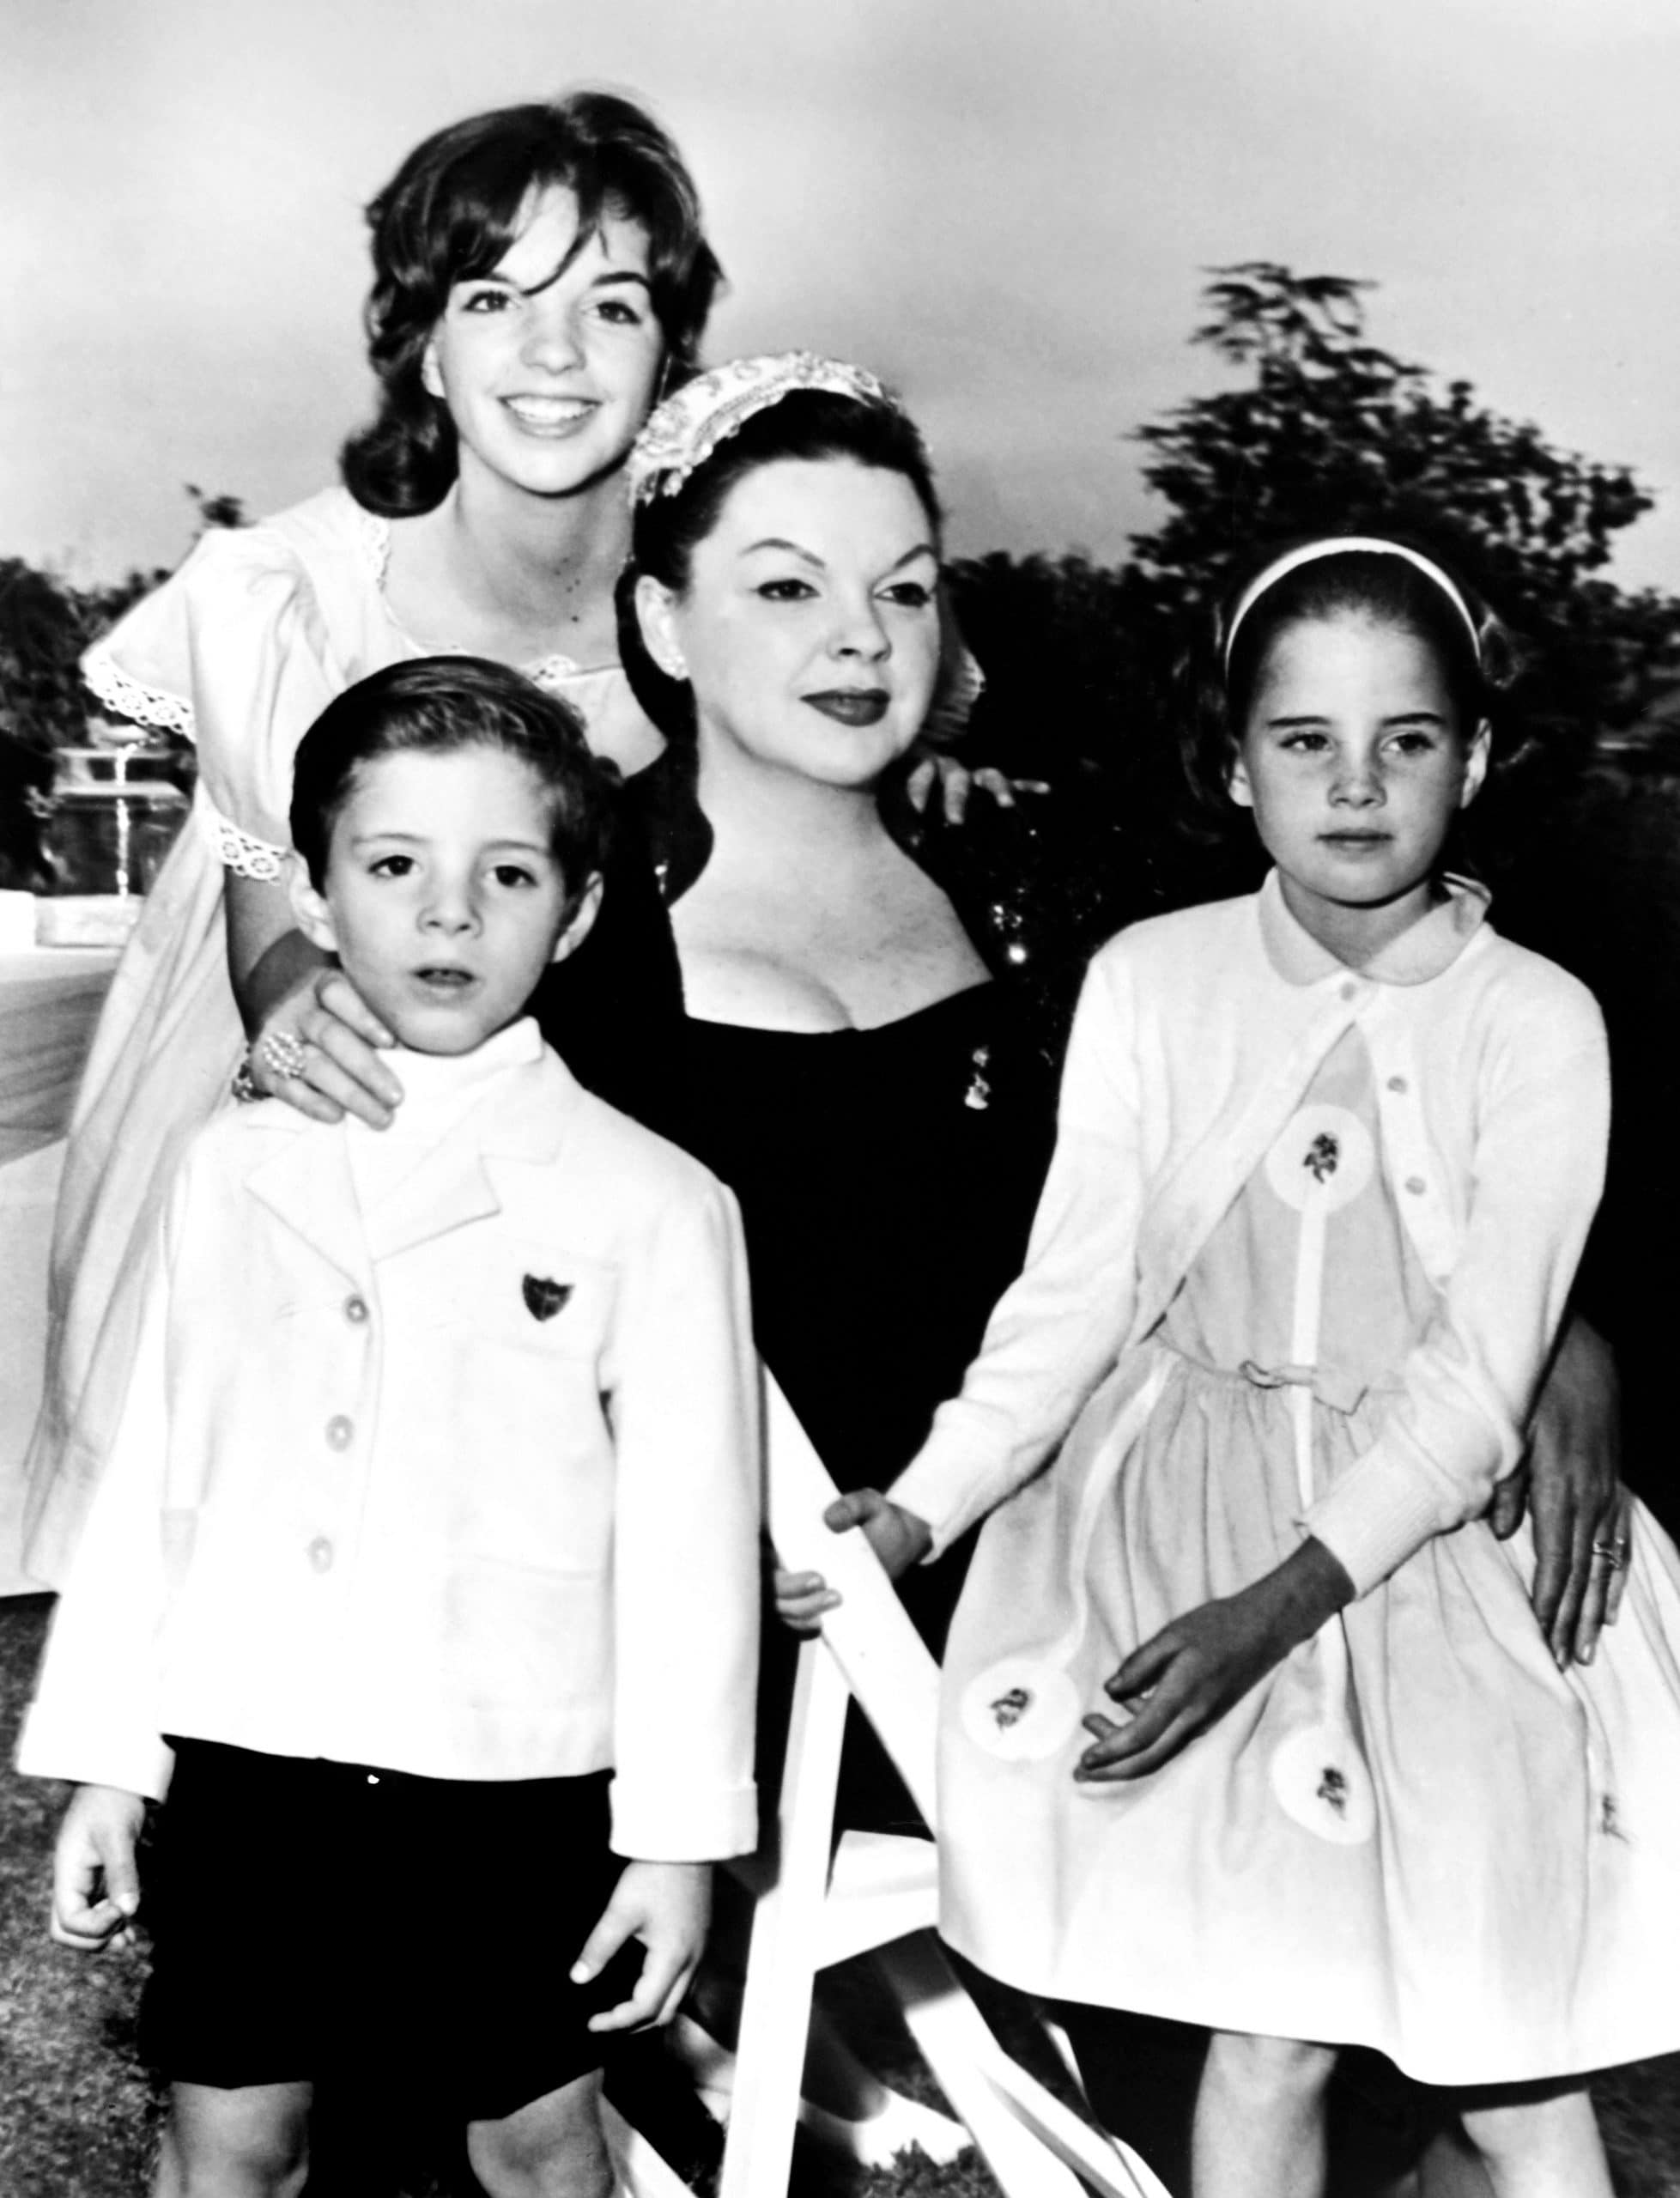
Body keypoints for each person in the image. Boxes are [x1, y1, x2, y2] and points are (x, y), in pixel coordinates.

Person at [787, 537, 1680, 2196]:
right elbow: (1066, 1308)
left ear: (1473, 758)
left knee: (1506, 2049)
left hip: (1428, 1564)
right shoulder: (1153, 982)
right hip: (1174, 1534)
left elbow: (1482, 1379)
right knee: (1263, 2031)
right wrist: (921, 1508)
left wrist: (1277, 1610)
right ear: (1231, 763)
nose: (1355, 785)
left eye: (1405, 739)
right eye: (1302, 742)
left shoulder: (1534, 1020)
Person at [17, 657, 761, 2198]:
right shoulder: (233, 1164)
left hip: (513, 1780)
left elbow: (693, 1556)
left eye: (506, 873)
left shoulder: (655, 1204)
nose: (446, 915)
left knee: (535, 2137)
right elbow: (164, 1468)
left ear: (579, 911)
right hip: (252, 1763)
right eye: (395, 865)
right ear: (320, 895)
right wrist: (110, 1762)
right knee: (230, 2135)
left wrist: (678, 1838)